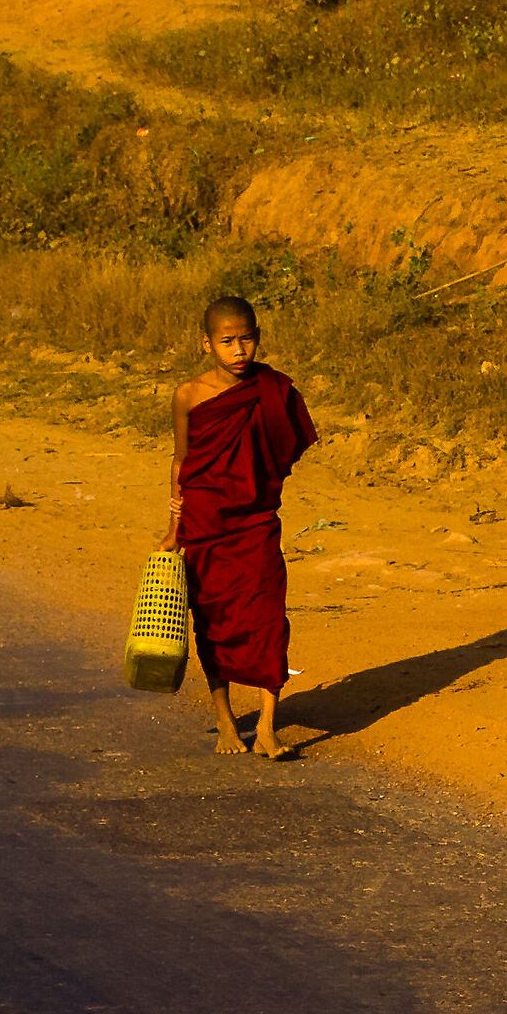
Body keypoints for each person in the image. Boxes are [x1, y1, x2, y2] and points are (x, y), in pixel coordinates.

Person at [161, 296, 316, 760]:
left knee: (269, 617)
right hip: (206, 523)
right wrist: (173, 528)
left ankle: (268, 726)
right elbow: (182, 462)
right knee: (213, 621)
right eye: (227, 341)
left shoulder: (274, 389)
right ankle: (226, 720)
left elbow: (284, 448)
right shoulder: (189, 395)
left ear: (258, 337)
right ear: (206, 342)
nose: (238, 350)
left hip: (256, 520)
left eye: (246, 339)